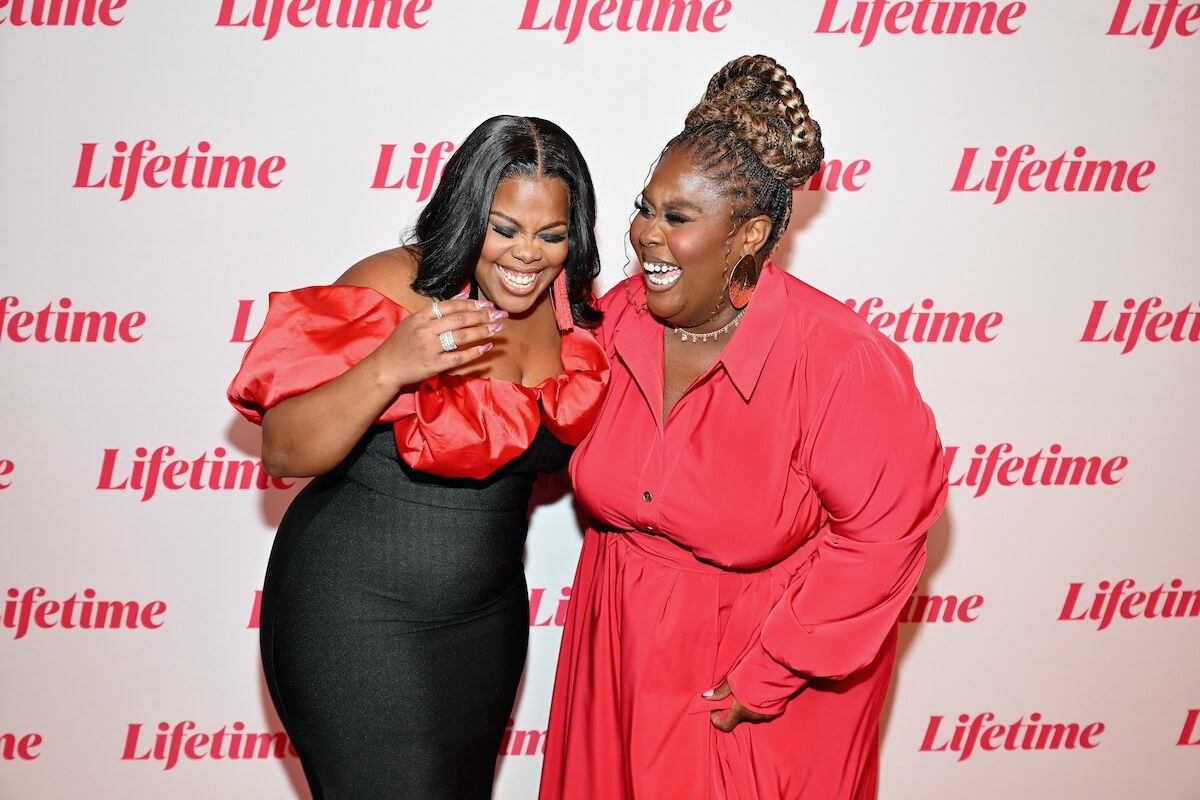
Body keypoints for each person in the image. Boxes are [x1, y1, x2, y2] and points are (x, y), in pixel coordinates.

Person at [539, 56, 948, 800]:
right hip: (616, 655)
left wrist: (771, 672)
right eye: (645, 206)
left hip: (747, 689)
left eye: (678, 218)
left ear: (750, 232)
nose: (643, 235)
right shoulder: (617, 321)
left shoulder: (838, 360)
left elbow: (884, 536)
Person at [227, 115, 607, 799]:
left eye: (551, 235)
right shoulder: (394, 286)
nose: (528, 255)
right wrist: (390, 365)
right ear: (467, 213)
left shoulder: (569, 317)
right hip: (354, 616)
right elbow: (284, 447)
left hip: (486, 621)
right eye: (505, 229)